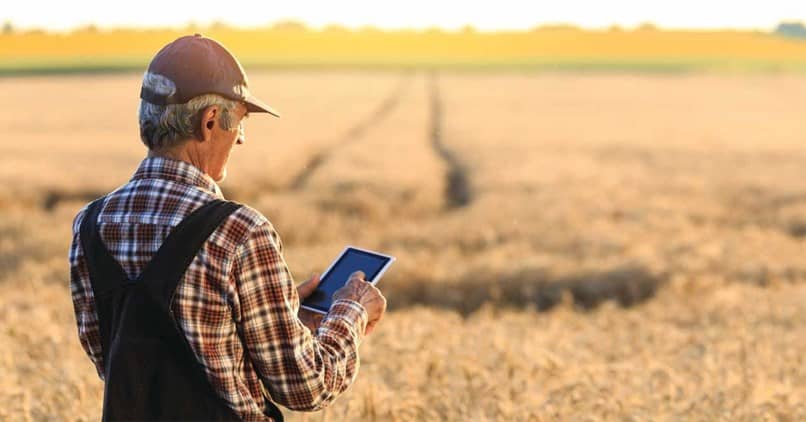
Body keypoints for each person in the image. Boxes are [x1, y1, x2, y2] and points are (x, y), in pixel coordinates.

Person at [68, 34, 387, 421]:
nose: (241, 138)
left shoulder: (89, 225)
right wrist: (350, 309)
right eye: (240, 122)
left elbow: (122, 363)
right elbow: (307, 387)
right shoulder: (239, 232)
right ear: (210, 122)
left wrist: (286, 318)